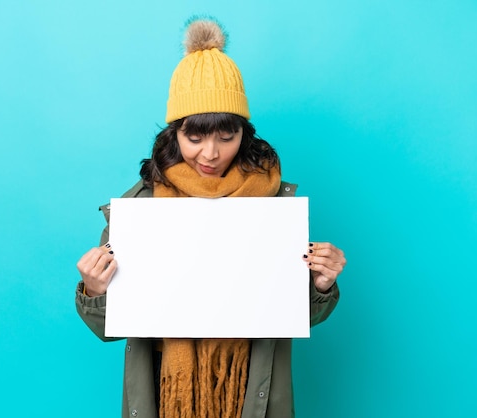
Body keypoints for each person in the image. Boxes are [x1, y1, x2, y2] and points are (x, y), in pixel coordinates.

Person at [75, 17, 346, 418]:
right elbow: (108, 329)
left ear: (244, 134)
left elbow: (291, 312)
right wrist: (95, 290)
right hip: (167, 393)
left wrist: (320, 284)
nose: (211, 154)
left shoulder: (273, 203)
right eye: (195, 137)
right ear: (174, 134)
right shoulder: (141, 208)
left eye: (226, 135)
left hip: (250, 389)